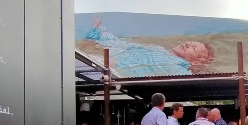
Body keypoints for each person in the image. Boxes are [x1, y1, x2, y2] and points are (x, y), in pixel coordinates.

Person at [84, 17, 215, 76]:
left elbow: (193, 76)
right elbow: (125, 45)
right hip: (102, 61)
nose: (188, 44)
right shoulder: (158, 49)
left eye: (193, 48)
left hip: (109, 70)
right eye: (190, 42)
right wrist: (100, 30)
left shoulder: (179, 70)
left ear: (196, 60)